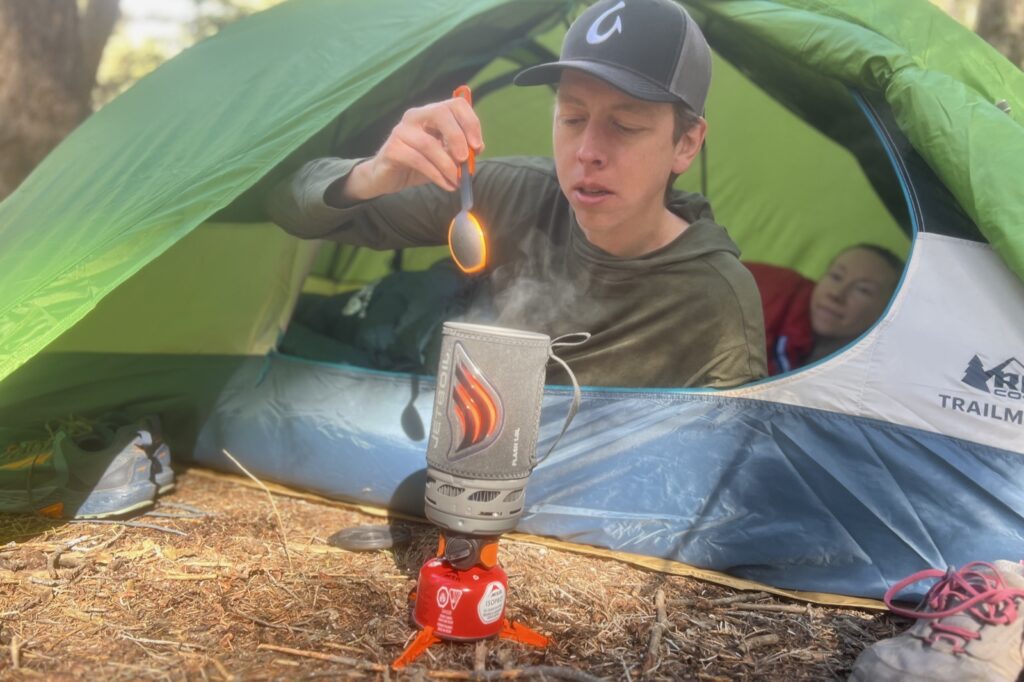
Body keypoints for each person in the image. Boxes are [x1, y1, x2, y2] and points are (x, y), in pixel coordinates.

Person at [269, 0, 767, 389]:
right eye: (572, 118)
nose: (588, 151)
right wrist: (372, 174)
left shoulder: (715, 301)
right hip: (399, 331)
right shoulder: (514, 192)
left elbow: (728, 471)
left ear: (685, 143)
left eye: (625, 124)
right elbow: (285, 203)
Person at [746, 244, 903, 374]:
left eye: (863, 290)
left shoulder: (866, 382)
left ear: (888, 311)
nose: (836, 294)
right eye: (836, 276)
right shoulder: (768, 290)